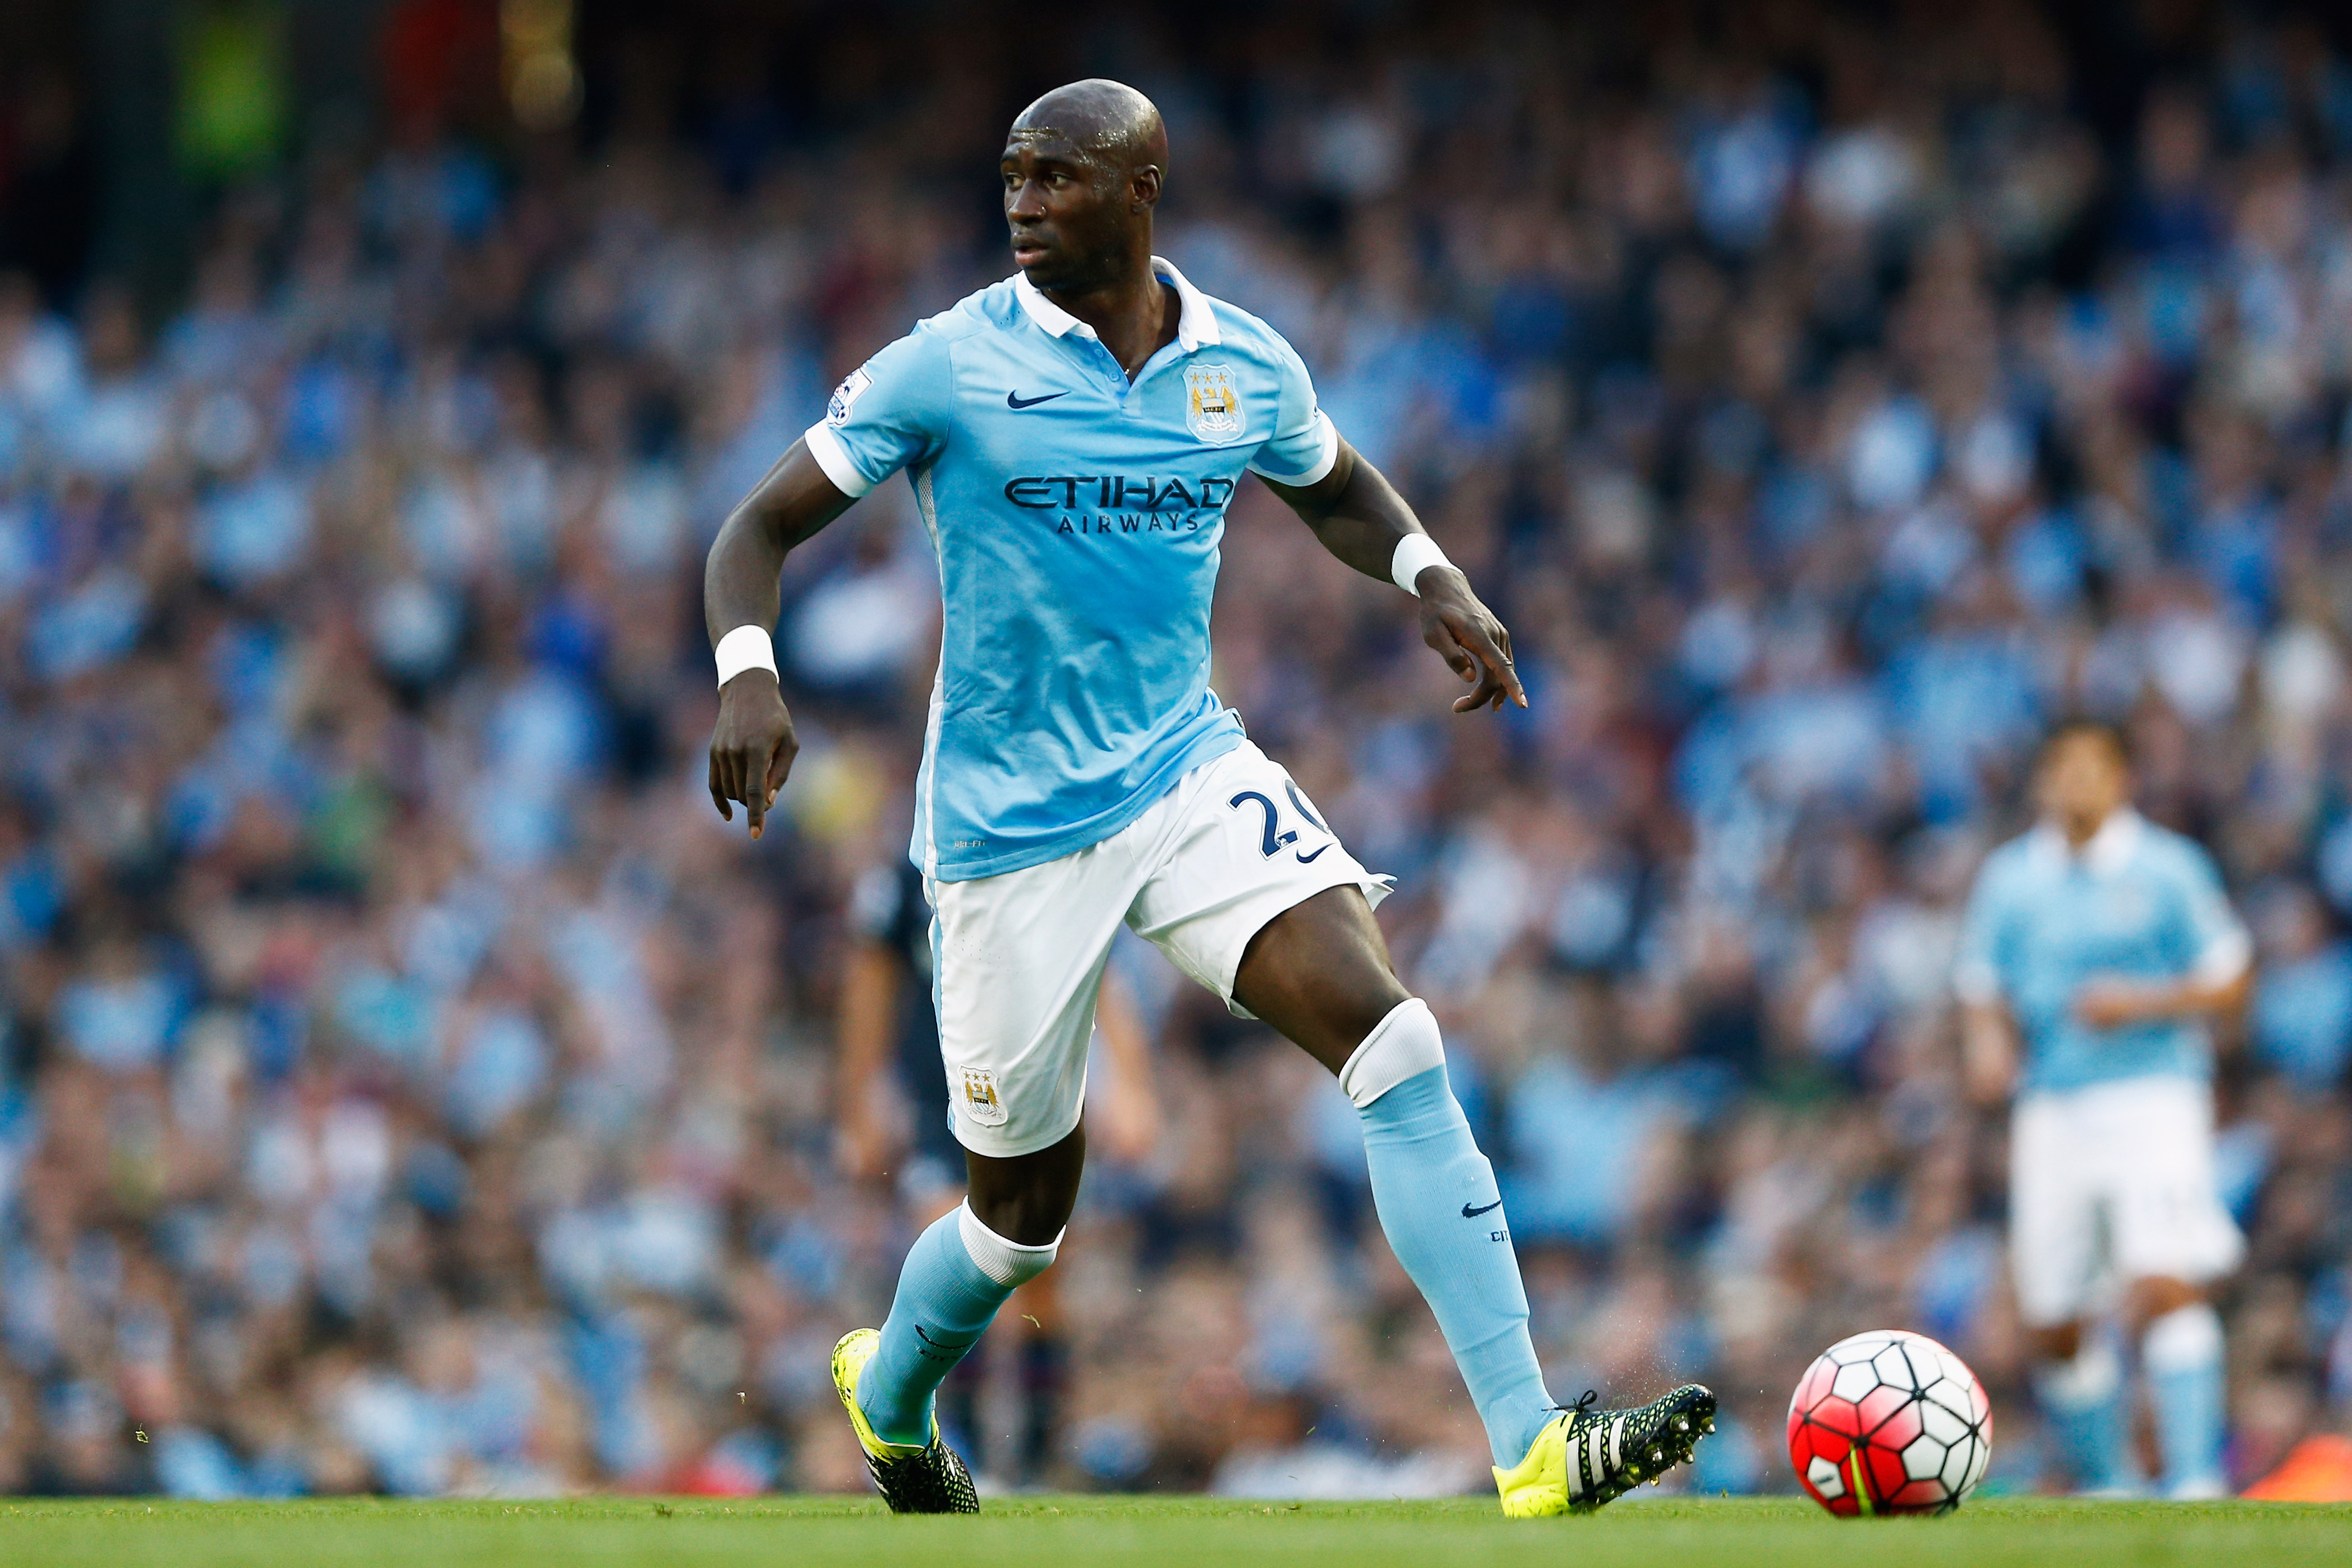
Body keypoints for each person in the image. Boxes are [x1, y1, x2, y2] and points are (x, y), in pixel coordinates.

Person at [705, 78, 1713, 1516]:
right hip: (1007, 837)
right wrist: (749, 672)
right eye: (1014, 178)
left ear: (1141, 190)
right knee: (1017, 1228)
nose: (1025, 204)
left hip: (1186, 768)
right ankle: (891, 1399)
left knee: (1395, 1034)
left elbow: (1339, 484)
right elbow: (757, 525)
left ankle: (1533, 1447)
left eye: (1058, 179)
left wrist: (1434, 577)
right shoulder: (949, 363)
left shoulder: (1239, 362)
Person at [1956, 719, 2252, 1498]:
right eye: (2062, 769)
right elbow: (1982, 984)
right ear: (2042, 782)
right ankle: (2112, 1482)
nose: (2076, 784)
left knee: (2162, 1280)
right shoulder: (2011, 879)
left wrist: (2145, 1003)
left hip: (2154, 1094)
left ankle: (2194, 1480)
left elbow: (2228, 975)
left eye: (2093, 768)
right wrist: (1988, 1046)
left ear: (2123, 778)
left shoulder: (2168, 868)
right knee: (2055, 1318)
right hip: (2053, 1106)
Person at [834, 851, 1161, 1484]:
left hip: (1040, 1097)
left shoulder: (1043, 856)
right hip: (944, 1105)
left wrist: (1133, 1085)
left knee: (1041, 1283)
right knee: (968, 1267)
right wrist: (858, 1107)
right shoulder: (908, 872)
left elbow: (1099, 975)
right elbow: (871, 985)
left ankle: (1035, 1460)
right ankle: (968, 1455)